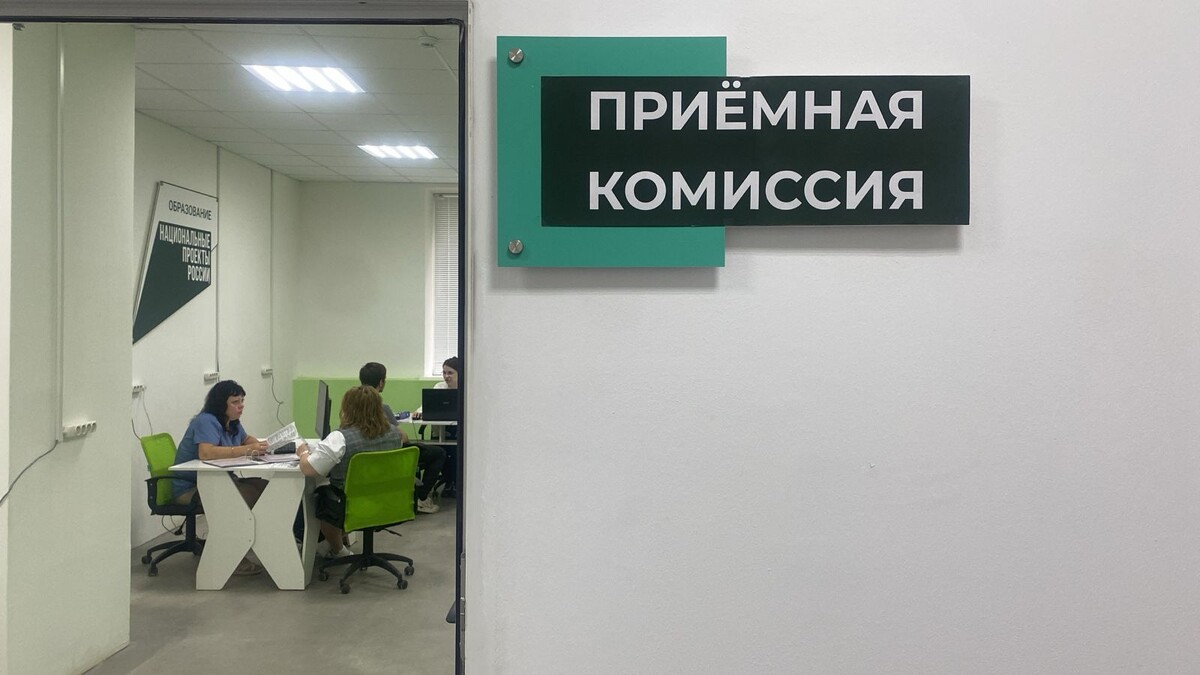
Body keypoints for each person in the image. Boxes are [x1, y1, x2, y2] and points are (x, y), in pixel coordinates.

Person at [294, 386, 409, 557]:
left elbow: (309, 469)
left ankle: (338, 550)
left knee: (321, 496)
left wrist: (303, 451)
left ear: (348, 409)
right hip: (388, 501)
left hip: (352, 505)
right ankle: (330, 544)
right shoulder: (395, 434)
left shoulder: (340, 438)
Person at [172, 379, 268, 575]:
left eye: (242, 401)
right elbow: (206, 453)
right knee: (245, 497)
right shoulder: (206, 421)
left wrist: (262, 445)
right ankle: (232, 556)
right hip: (191, 487)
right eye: (235, 402)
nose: (240, 406)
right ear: (220, 403)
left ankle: (259, 542)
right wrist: (247, 449)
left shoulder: (231, 421)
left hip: (219, 482)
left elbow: (246, 439)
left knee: (264, 487)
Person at [358, 362, 446, 514]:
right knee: (438, 453)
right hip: (390, 454)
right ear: (381, 382)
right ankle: (421, 498)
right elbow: (403, 438)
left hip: (366, 456)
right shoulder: (382, 408)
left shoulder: (353, 406)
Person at [413, 356, 460, 498]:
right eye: (444, 372)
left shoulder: (466, 389)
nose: (446, 376)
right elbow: (427, 406)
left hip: (458, 431)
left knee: (456, 450)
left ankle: (454, 482)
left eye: (450, 373)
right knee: (441, 450)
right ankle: (449, 481)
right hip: (440, 431)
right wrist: (419, 412)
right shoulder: (439, 387)